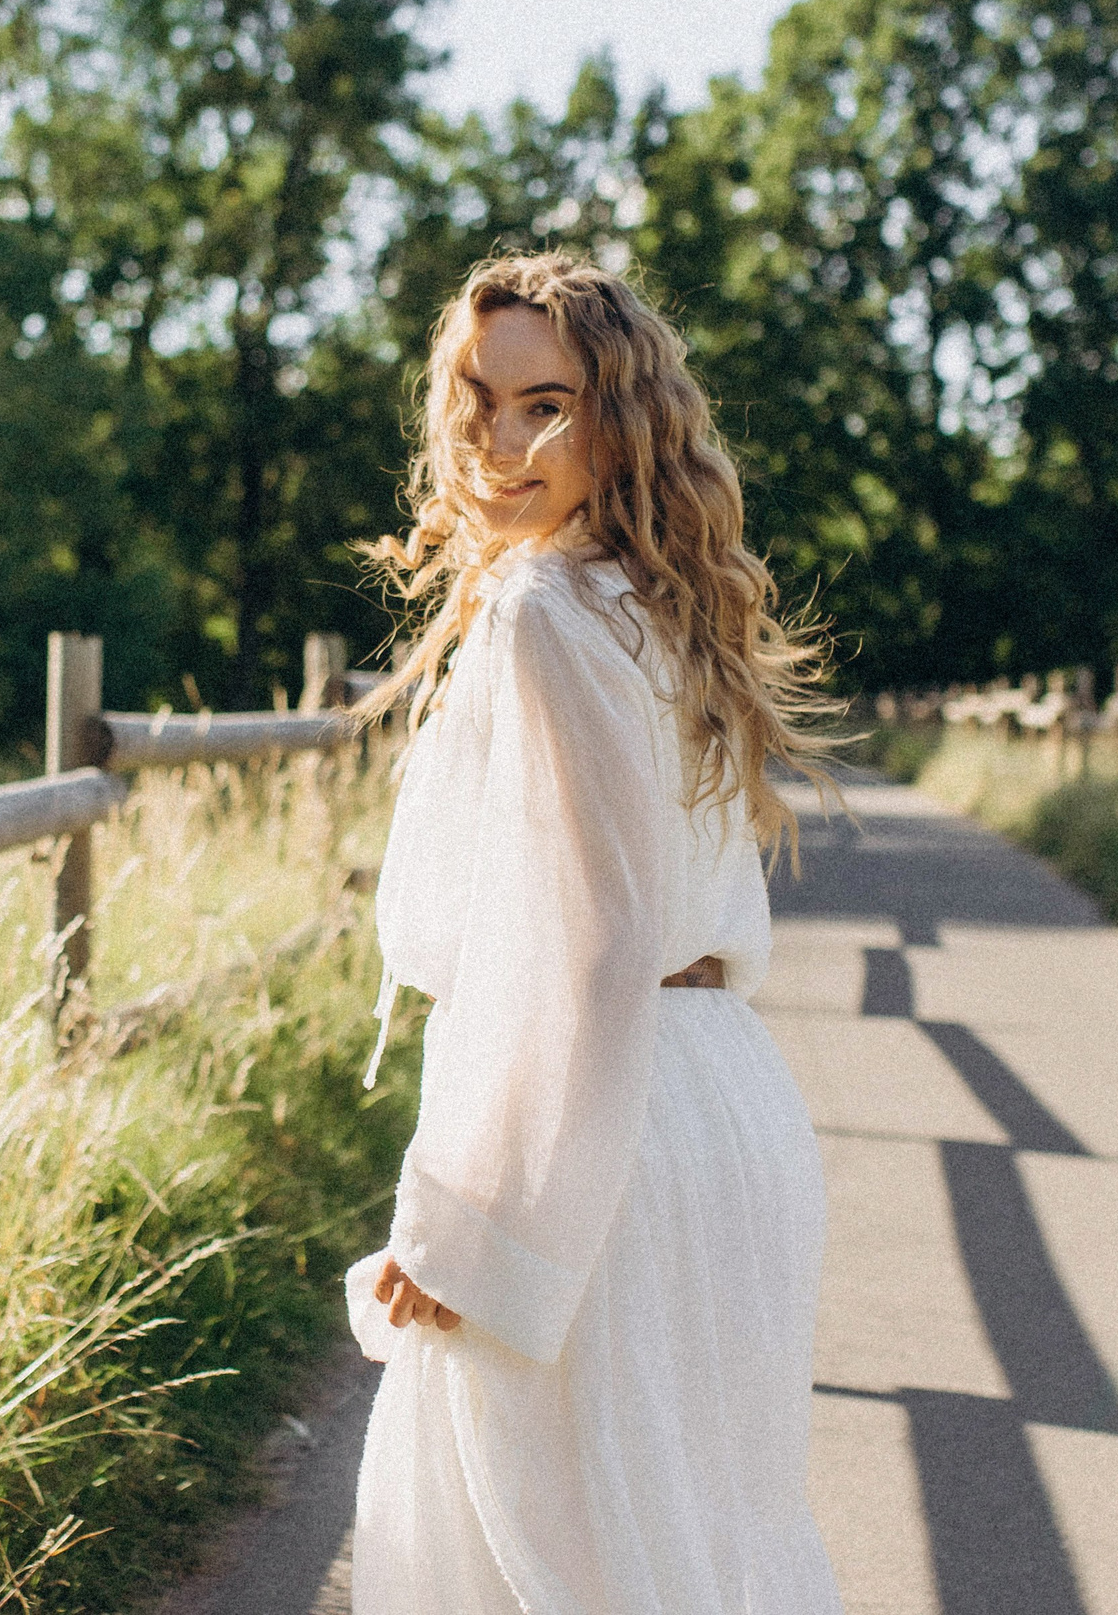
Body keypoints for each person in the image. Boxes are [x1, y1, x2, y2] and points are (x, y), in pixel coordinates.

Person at [342, 251, 843, 1613]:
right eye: (481, 402)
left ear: (621, 417)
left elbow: (583, 952)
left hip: (597, 1131)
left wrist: (471, 1222)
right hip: (716, 1102)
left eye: (547, 405)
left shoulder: (540, 613)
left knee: (544, 1561)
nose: (505, 445)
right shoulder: (660, 603)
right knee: (700, 1550)